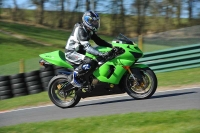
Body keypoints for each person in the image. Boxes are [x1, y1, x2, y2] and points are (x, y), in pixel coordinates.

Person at [65, 10, 113, 88]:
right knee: (89, 61)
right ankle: (73, 77)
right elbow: (87, 48)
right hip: (71, 53)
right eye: (94, 22)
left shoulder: (89, 29)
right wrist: (100, 53)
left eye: (96, 21)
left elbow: (99, 41)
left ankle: (89, 79)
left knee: (97, 61)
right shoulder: (81, 30)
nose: (96, 23)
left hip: (80, 51)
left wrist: (111, 46)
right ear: (88, 21)